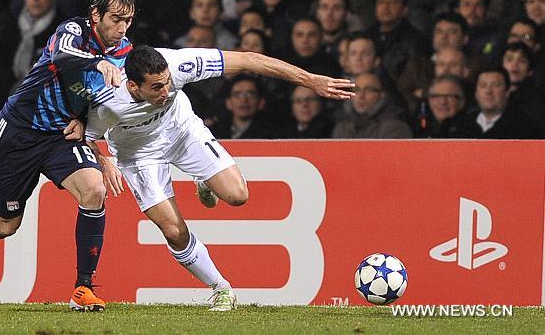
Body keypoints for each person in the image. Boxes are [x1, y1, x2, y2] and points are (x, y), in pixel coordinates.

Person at [83, 45, 355, 310]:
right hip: (139, 155)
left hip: (183, 134)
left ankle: (204, 178)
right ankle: (220, 287)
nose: (166, 92)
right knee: (174, 231)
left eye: (167, 83)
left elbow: (249, 60)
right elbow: (84, 135)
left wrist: (310, 80)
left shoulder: (179, 64)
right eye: (156, 88)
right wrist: (104, 161)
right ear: (133, 86)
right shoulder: (107, 101)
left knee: (238, 196)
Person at [0, 0, 137, 312]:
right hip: (18, 132)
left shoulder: (126, 51)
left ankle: (83, 288)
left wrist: (89, 127)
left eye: (128, 20)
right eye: (116, 19)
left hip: (61, 135)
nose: (122, 28)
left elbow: (112, 103)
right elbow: (61, 58)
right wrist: (99, 62)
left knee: (95, 190)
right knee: (6, 225)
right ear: (96, 15)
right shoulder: (73, 31)